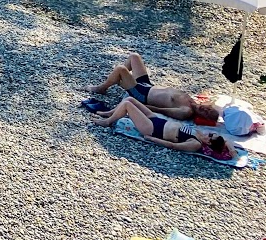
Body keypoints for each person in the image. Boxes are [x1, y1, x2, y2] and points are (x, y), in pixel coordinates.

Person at [89, 51, 221, 124]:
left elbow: (160, 110)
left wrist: (137, 104)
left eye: (206, 113)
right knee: (134, 57)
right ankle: (117, 80)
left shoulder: (186, 111)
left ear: (202, 117)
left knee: (121, 69)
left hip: (142, 94)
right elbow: (215, 103)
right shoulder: (195, 102)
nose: (206, 109)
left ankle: (103, 87)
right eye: (209, 109)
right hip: (148, 85)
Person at [92, 96, 235, 159]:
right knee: (129, 100)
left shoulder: (195, 143)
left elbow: (172, 145)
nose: (209, 134)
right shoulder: (200, 134)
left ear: (209, 143)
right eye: (211, 134)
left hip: (153, 129)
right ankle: (109, 114)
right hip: (157, 121)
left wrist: (151, 139)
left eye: (210, 136)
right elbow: (226, 141)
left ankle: (108, 121)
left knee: (128, 106)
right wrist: (232, 151)